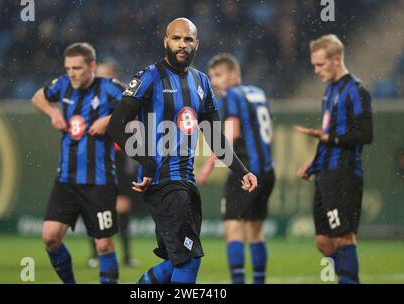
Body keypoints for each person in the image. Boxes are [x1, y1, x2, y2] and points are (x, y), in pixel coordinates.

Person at [107, 18, 257, 284]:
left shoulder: (201, 83)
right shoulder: (149, 77)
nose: (182, 44)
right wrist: (146, 161)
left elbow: (214, 137)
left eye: (188, 39)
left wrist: (241, 171)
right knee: (189, 258)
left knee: (178, 258)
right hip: (164, 182)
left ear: (196, 43)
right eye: (176, 38)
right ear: (166, 41)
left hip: (187, 183)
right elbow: (116, 125)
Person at [32, 42, 125, 284]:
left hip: (99, 181)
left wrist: (109, 120)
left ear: (91, 66)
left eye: (77, 68)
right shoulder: (63, 85)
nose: (71, 73)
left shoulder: (108, 88)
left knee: (104, 244)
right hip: (67, 180)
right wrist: (52, 113)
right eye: (68, 68)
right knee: (50, 237)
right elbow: (38, 97)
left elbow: (136, 104)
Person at [295, 34, 373, 284]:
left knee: (343, 237)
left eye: (320, 65)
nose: (316, 70)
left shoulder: (356, 90)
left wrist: (330, 139)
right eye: (314, 65)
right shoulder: (330, 90)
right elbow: (326, 135)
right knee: (324, 242)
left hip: (343, 174)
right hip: (324, 174)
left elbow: (365, 134)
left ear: (336, 59)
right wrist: (313, 163)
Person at [198, 53, 275, 284]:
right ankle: (259, 281)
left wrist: (208, 166)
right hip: (267, 171)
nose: (214, 81)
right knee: (255, 232)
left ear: (233, 74)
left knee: (233, 228)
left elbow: (230, 135)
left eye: (218, 75)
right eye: (211, 76)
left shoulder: (231, 96)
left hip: (244, 172)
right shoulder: (258, 93)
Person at [87, 59, 138, 268]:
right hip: (97, 156)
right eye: (98, 74)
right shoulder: (89, 97)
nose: (100, 78)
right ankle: (96, 255)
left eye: (105, 74)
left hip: (118, 156)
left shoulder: (123, 96)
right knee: (96, 206)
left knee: (123, 206)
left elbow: (132, 120)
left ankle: (125, 256)